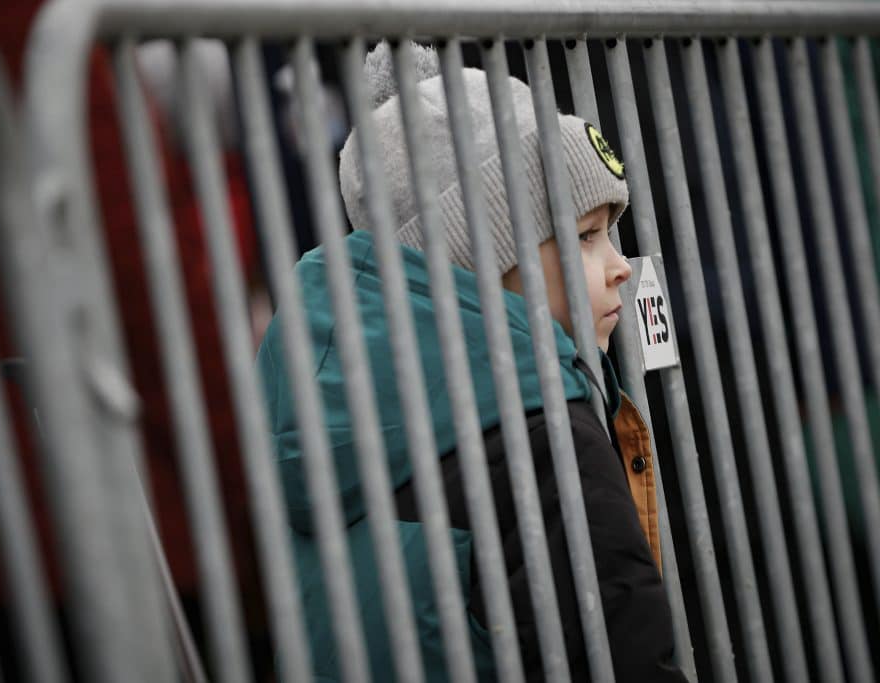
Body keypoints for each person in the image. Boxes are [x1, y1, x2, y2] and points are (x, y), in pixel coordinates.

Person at [256, 41, 685, 682]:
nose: (622, 267)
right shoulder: (547, 438)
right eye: (587, 236)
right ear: (484, 259)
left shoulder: (333, 420)